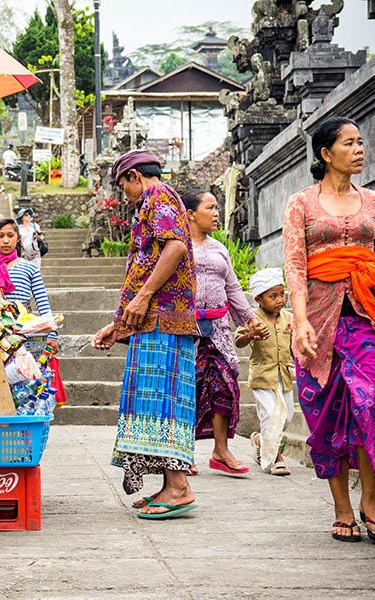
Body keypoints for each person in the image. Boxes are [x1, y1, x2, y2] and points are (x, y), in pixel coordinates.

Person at [284, 116, 375, 543]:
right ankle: (342, 509)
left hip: (365, 320)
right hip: (318, 326)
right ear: (326, 153)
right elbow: (296, 267)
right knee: (326, 418)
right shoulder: (301, 203)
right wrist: (300, 321)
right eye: (349, 143)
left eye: (361, 142)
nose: (359, 150)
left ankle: (371, 502)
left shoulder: (374, 202)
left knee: (370, 403)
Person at [91, 150, 198, 519]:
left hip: (164, 320)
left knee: (163, 402)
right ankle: (171, 485)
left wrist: (144, 295)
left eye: (124, 186)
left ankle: (179, 487)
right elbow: (144, 267)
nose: (125, 195)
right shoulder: (152, 201)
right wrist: (119, 324)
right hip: (153, 320)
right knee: (152, 403)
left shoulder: (159, 195)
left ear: (136, 176)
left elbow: (176, 246)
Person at [182, 189, 266, 476]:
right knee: (187, 390)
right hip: (187, 330)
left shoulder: (219, 248)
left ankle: (220, 451)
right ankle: (183, 454)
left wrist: (250, 319)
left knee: (224, 387)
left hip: (219, 331)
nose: (216, 213)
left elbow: (232, 288)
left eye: (217, 207)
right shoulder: (177, 247)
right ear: (191, 214)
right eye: (210, 208)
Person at [235, 268, 294, 476]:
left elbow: (293, 347)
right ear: (259, 299)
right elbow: (238, 340)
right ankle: (275, 459)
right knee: (270, 415)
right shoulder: (252, 319)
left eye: (282, 294)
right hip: (262, 376)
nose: (280, 300)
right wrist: (251, 334)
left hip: (284, 376)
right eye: (273, 296)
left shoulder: (289, 318)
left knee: (287, 417)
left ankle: (260, 440)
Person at [0, 218, 57, 350]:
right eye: (0, 236)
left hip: (24, 330)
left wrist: (52, 334)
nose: (6, 240)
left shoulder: (30, 268)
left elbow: (43, 303)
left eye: (10, 235)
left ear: (18, 238)